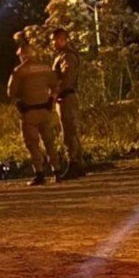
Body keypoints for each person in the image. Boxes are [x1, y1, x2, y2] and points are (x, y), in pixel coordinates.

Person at [7, 31, 60, 186]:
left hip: (29, 112)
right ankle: (57, 170)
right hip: (45, 110)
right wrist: (50, 101)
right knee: (50, 141)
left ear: (23, 56)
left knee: (32, 143)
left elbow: (11, 92)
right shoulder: (45, 68)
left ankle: (39, 173)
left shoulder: (19, 71)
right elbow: (55, 87)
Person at [52, 27, 84, 179]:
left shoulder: (67, 56)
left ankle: (73, 163)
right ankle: (77, 164)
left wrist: (56, 92)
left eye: (55, 40)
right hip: (65, 97)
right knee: (71, 130)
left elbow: (67, 77)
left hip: (66, 97)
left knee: (69, 131)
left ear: (63, 39)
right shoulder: (64, 55)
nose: (53, 43)